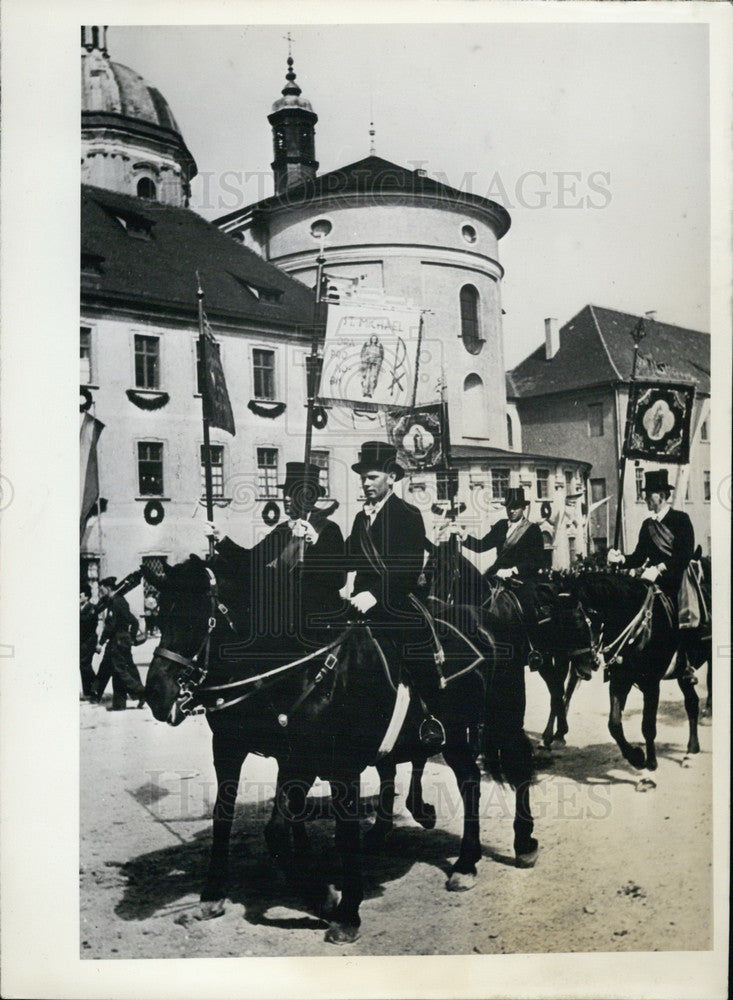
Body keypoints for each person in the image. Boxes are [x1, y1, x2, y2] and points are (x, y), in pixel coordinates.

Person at [344, 440, 443, 742]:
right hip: (360, 604)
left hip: (396, 602)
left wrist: (373, 594)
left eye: (372, 476)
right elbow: (347, 557)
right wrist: (314, 543)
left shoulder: (408, 514)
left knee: (415, 647)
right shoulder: (362, 517)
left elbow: (408, 568)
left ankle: (431, 717)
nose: (365, 483)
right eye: (362, 477)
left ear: (392, 478)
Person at [206, 462, 345, 649]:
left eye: (293, 493)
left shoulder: (328, 529)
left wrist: (314, 543)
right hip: (282, 623)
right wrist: (221, 539)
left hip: (316, 626)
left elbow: (338, 578)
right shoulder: (281, 531)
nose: (286, 498)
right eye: (285, 492)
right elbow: (251, 561)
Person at [607, 468, 696, 679]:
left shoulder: (681, 520)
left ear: (663, 496)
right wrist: (621, 559)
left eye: (651, 494)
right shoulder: (647, 525)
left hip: (676, 579)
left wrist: (660, 568)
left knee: (683, 612)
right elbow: (638, 556)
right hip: (650, 580)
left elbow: (684, 554)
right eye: (646, 494)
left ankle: (686, 662)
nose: (646, 498)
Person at [91, 577, 146, 709]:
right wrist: (131, 638)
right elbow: (134, 621)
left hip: (118, 642)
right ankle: (118, 703)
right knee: (109, 668)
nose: (100, 590)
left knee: (121, 671)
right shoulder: (120, 601)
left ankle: (142, 693)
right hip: (122, 641)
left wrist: (101, 642)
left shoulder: (115, 602)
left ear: (108, 588)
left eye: (102, 588)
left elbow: (111, 625)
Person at [79, 583, 99, 700]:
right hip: (83, 641)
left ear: (86, 597)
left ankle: (95, 688)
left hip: (89, 640)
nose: (78, 598)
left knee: (84, 663)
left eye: (80, 595)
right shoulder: (81, 608)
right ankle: (88, 691)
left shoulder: (92, 608)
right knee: (84, 664)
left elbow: (87, 623)